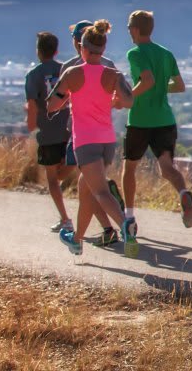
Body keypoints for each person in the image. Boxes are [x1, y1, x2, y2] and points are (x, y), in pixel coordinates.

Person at [46, 20, 138, 258]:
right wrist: (114, 98)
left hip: (85, 141)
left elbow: (52, 104)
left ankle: (125, 226)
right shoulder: (113, 75)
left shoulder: (72, 73)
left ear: (82, 48)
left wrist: (70, 97)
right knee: (85, 189)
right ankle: (77, 240)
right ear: (103, 49)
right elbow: (129, 101)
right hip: (107, 141)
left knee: (100, 192)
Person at [122, 10, 192, 231]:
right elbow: (179, 86)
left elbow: (148, 80)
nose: (128, 31)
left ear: (136, 29)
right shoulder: (166, 53)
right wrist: (161, 87)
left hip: (139, 120)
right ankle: (183, 194)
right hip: (164, 120)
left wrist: (128, 96)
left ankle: (129, 216)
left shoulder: (135, 53)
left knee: (129, 168)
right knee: (166, 168)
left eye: (129, 28)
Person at [61, 20, 124, 246]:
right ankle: (89, 235)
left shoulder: (70, 68)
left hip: (82, 135)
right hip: (104, 134)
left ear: (78, 42)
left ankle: (112, 226)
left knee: (91, 187)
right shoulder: (109, 66)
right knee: (87, 185)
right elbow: (119, 97)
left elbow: (61, 100)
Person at [25, 31, 74, 234]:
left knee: (52, 178)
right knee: (73, 167)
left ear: (38, 51)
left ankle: (65, 219)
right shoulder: (66, 70)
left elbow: (32, 105)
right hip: (71, 130)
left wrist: (31, 125)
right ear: (56, 50)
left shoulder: (33, 75)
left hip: (49, 133)